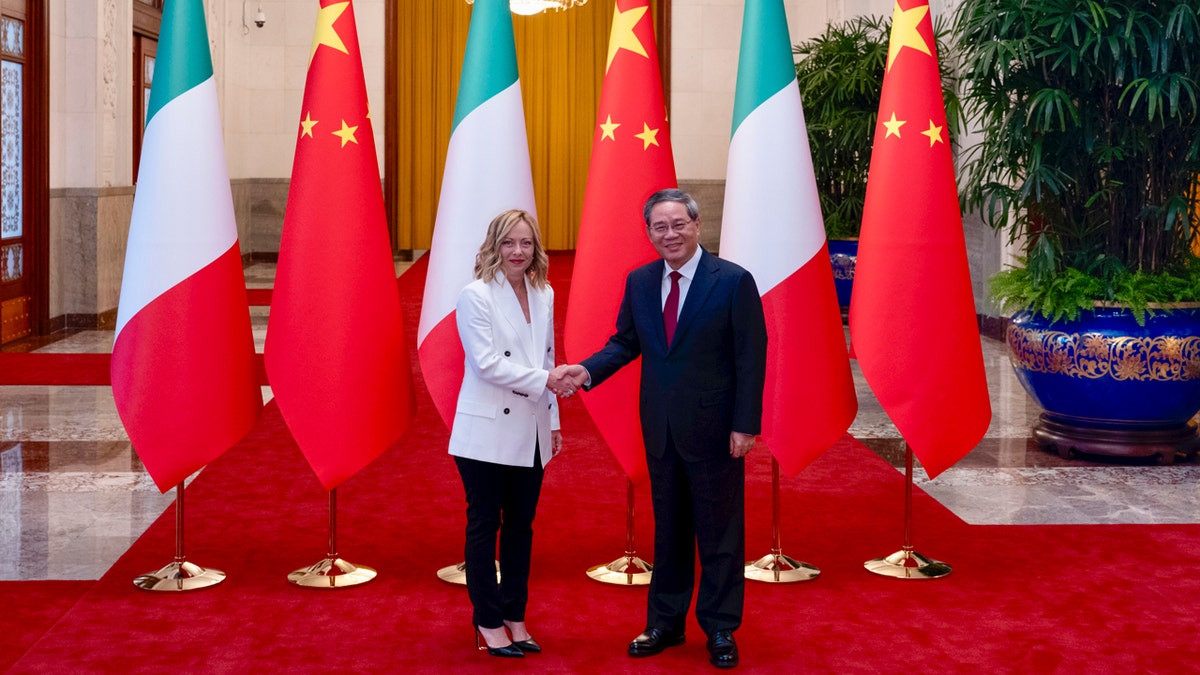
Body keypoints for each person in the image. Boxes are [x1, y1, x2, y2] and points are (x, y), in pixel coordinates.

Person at [558, 188, 767, 669]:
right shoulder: (640, 281)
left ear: (696, 226)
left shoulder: (733, 281)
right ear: (649, 232)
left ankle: (719, 628)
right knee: (669, 531)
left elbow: (750, 358)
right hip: (661, 428)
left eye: (678, 224)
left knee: (719, 533)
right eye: (659, 227)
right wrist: (585, 371)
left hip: (716, 430)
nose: (669, 234)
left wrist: (744, 425)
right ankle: (665, 623)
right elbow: (625, 343)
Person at [448, 209, 578, 658]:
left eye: (525, 243)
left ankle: (515, 614)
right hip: (485, 432)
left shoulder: (544, 292)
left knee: (522, 526)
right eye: (509, 243)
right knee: (486, 524)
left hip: (534, 427)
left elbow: (546, 357)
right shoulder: (475, 295)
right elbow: (486, 364)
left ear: (536, 247)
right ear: (494, 246)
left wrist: (554, 420)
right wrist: (549, 382)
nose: (518, 252)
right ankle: (487, 620)